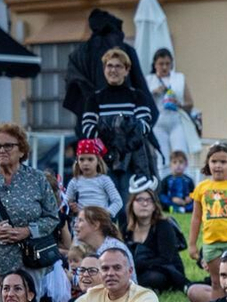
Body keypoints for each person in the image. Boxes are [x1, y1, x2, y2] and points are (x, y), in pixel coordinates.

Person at [0, 123, 59, 279]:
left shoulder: (37, 179)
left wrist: (27, 231)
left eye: (8, 146)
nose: (1, 150)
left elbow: (52, 217)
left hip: (28, 264)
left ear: (21, 150)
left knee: (26, 301)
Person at [78, 48, 157, 200]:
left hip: (133, 161)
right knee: (107, 206)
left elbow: (145, 126)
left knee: (128, 205)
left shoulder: (138, 96)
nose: (113, 70)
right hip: (103, 160)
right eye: (109, 66)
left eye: (118, 66)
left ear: (127, 70)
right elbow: (88, 129)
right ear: (104, 69)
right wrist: (112, 141)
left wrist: (122, 143)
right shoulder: (94, 99)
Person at [185, 142, 227, 297]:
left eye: (223, 162)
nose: (218, 166)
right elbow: (196, 218)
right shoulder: (202, 188)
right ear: (208, 163)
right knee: (217, 282)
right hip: (212, 243)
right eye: (214, 161)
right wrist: (192, 245)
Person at [120, 183, 186, 293]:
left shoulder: (163, 226)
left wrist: (138, 265)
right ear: (132, 204)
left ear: (154, 206)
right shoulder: (126, 229)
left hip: (164, 269)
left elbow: (166, 259)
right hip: (137, 270)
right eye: (139, 200)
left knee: (153, 278)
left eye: (149, 200)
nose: (144, 204)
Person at [147, 48, 198, 176]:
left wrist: (179, 104)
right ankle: (162, 185)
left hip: (176, 121)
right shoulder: (149, 80)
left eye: (167, 63)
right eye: (161, 64)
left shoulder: (179, 78)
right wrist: (153, 93)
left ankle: (185, 184)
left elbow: (190, 103)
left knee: (181, 153)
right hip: (158, 123)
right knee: (161, 157)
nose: (164, 67)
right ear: (155, 65)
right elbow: (142, 102)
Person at [63, 140, 122, 219]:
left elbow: (118, 201)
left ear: (98, 161)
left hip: (100, 224)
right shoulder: (74, 182)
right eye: (82, 159)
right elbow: (66, 202)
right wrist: (71, 207)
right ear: (77, 161)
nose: (85, 163)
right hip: (81, 225)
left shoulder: (105, 180)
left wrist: (106, 214)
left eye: (90, 159)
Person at [158, 150, 194, 214]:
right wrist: (172, 199)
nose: (178, 165)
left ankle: (183, 209)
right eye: (174, 162)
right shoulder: (166, 179)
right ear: (170, 165)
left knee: (196, 202)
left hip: (185, 203)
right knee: (160, 199)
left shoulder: (188, 180)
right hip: (171, 202)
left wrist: (189, 197)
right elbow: (162, 194)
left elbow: (193, 193)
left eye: (181, 162)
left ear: (186, 164)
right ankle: (174, 208)